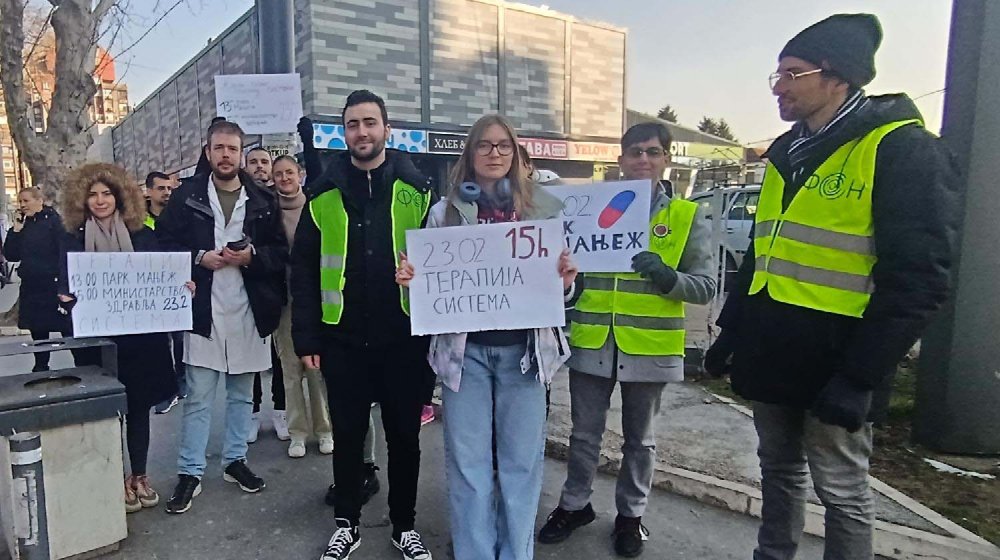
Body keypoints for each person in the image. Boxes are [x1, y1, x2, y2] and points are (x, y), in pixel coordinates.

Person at [703, 14, 957, 560]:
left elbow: (919, 278)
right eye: (777, 75)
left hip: (839, 361)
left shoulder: (901, 149)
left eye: (793, 73)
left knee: (841, 490)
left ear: (838, 77)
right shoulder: (785, 154)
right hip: (773, 351)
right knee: (778, 471)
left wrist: (861, 377)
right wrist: (730, 334)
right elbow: (761, 257)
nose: (780, 87)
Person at [397, 114, 577, 560]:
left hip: (527, 357)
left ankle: (516, 554)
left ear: (515, 153)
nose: (494, 154)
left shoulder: (545, 210)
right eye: (484, 146)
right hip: (466, 358)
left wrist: (568, 281)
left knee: (521, 467)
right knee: (469, 468)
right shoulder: (443, 213)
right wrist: (412, 278)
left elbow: (568, 291)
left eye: (503, 146)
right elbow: (429, 278)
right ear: (470, 155)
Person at [538, 122, 716, 557]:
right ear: (620, 160)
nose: (643, 160)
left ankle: (630, 517)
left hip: (649, 347)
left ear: (666, 159)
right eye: (635, 152)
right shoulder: (585, 208)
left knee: (641, 440)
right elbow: (563, 272)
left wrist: (668, 277)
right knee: (583, 434)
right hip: (592, 340)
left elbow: (706, 287)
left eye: (653, 152)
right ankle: (574, 505)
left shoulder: (685, 217)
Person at [291, 89, 434, 560]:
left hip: (404, 340)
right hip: (343, 341)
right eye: (353, 124)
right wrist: (307, 337)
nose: (362, 132)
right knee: (349, 438)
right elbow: (304, 272)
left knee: (404, 439)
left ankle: (404, 525)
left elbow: (443, 262)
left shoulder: (417, 191)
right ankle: (346, 524)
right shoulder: (322, 196)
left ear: (387, 130)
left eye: (370, 122)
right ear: (344, 132)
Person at [156, 119, 288, 514]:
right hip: (203, 306)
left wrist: (251, 257)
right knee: (197, 395)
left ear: (241, 152)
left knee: (240, 393)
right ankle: (190, 472)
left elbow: (280, 253)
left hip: (248, 306)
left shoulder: (263, 198)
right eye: (219, 148)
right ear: (208, 150)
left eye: (233, 149)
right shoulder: (186, 197)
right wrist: (199, 258)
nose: (226, 155)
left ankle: (234, 461)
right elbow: (163, 244)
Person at [57, 163, 184, 513]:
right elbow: (61, 282)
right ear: (82, 199)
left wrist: (180, 285)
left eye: (107, 193)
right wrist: (64, 298)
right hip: (97, 343)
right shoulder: (71, 239)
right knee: (107, 411)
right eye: (93, 194)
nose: (100, 200)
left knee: (139, 408)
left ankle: (139, 475)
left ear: (120, 196)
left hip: (141, 341)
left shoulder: (142, 234)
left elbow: (162, 277)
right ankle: (114, 477)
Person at [270, 155, 334, 458]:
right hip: (284, 300)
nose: (284, 178)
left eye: (289, 172)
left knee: (316, 368)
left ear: (301, 174)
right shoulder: (267, 213)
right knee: (290, 369)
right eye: (278, 174)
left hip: (315, 298)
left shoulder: (316, 206)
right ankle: (297, 432)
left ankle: (325, 430)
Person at [244, 147, 289, 443]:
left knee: (279, 357)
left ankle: (282, 411)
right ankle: (252, 413)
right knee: (250, 358)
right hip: (244, 287)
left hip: (275, 285)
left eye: (264, 162)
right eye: (254, 162)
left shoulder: (279, 201)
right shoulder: (239, 198)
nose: (259, 167)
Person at [3, 187, 68, 372]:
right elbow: (11, 255)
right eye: (20, 201)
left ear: (39, 200)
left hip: (52, 284)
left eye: (26, 200)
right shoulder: (24, 225)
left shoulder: (54, 222)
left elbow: (63, 252)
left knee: (65, 328)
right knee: (38, 330)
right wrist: (15, 230)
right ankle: (41, 364)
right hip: (32, 286)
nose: (22, 205)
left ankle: (82, 361)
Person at [144, 171, 187, 414]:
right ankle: (165, 389)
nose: (166, 192)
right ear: (148, 191)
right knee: (159, 341)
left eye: (169, 188)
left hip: (175, 287)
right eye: (161, 188)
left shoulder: (176, 218)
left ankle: (181, 382)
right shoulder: (138, 221)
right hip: (150, 291)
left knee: (179, 339)